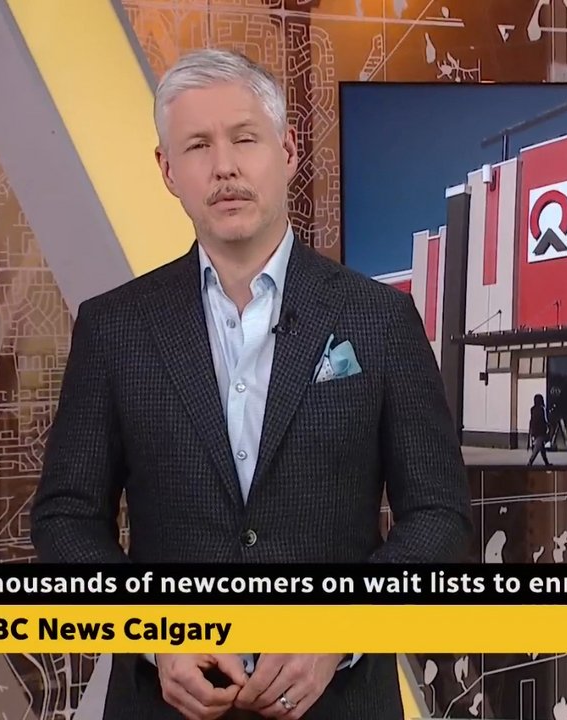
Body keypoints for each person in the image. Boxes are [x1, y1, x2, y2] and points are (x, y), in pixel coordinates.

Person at [29, 49, 471, 720]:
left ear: (287, 152)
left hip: (340, 703)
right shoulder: (114, 327)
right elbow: (65, 519)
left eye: (244, 139)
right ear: (167, 171)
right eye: (197, 146)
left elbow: (439, 515)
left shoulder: (379, 319)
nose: (224, 167)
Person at [527, 394, 551, 467]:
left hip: (534, 430)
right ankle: (530, 462)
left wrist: (530, 431)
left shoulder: (532, 409)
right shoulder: (541, 410)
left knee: (541, 448)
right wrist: (547, 426)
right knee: (537, 448)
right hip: (540, 431)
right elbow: (542, 420)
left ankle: (546, 463)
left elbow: (532, 421)